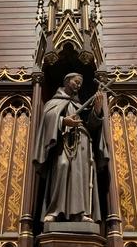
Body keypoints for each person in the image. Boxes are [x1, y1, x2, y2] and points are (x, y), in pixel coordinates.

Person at [33, 73, 108, 223]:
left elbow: (92, 125)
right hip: (63, 142)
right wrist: (62, 121)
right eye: (76, 82)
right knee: (62, 166)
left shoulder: (80, 105)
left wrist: (97, 110)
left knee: (80, 175)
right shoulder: (53, 102)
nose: (79, 85)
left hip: (82, 143)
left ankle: (81, 213)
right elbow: (47, 120)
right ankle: (54, 211)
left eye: (80, 83)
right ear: (67, 81)